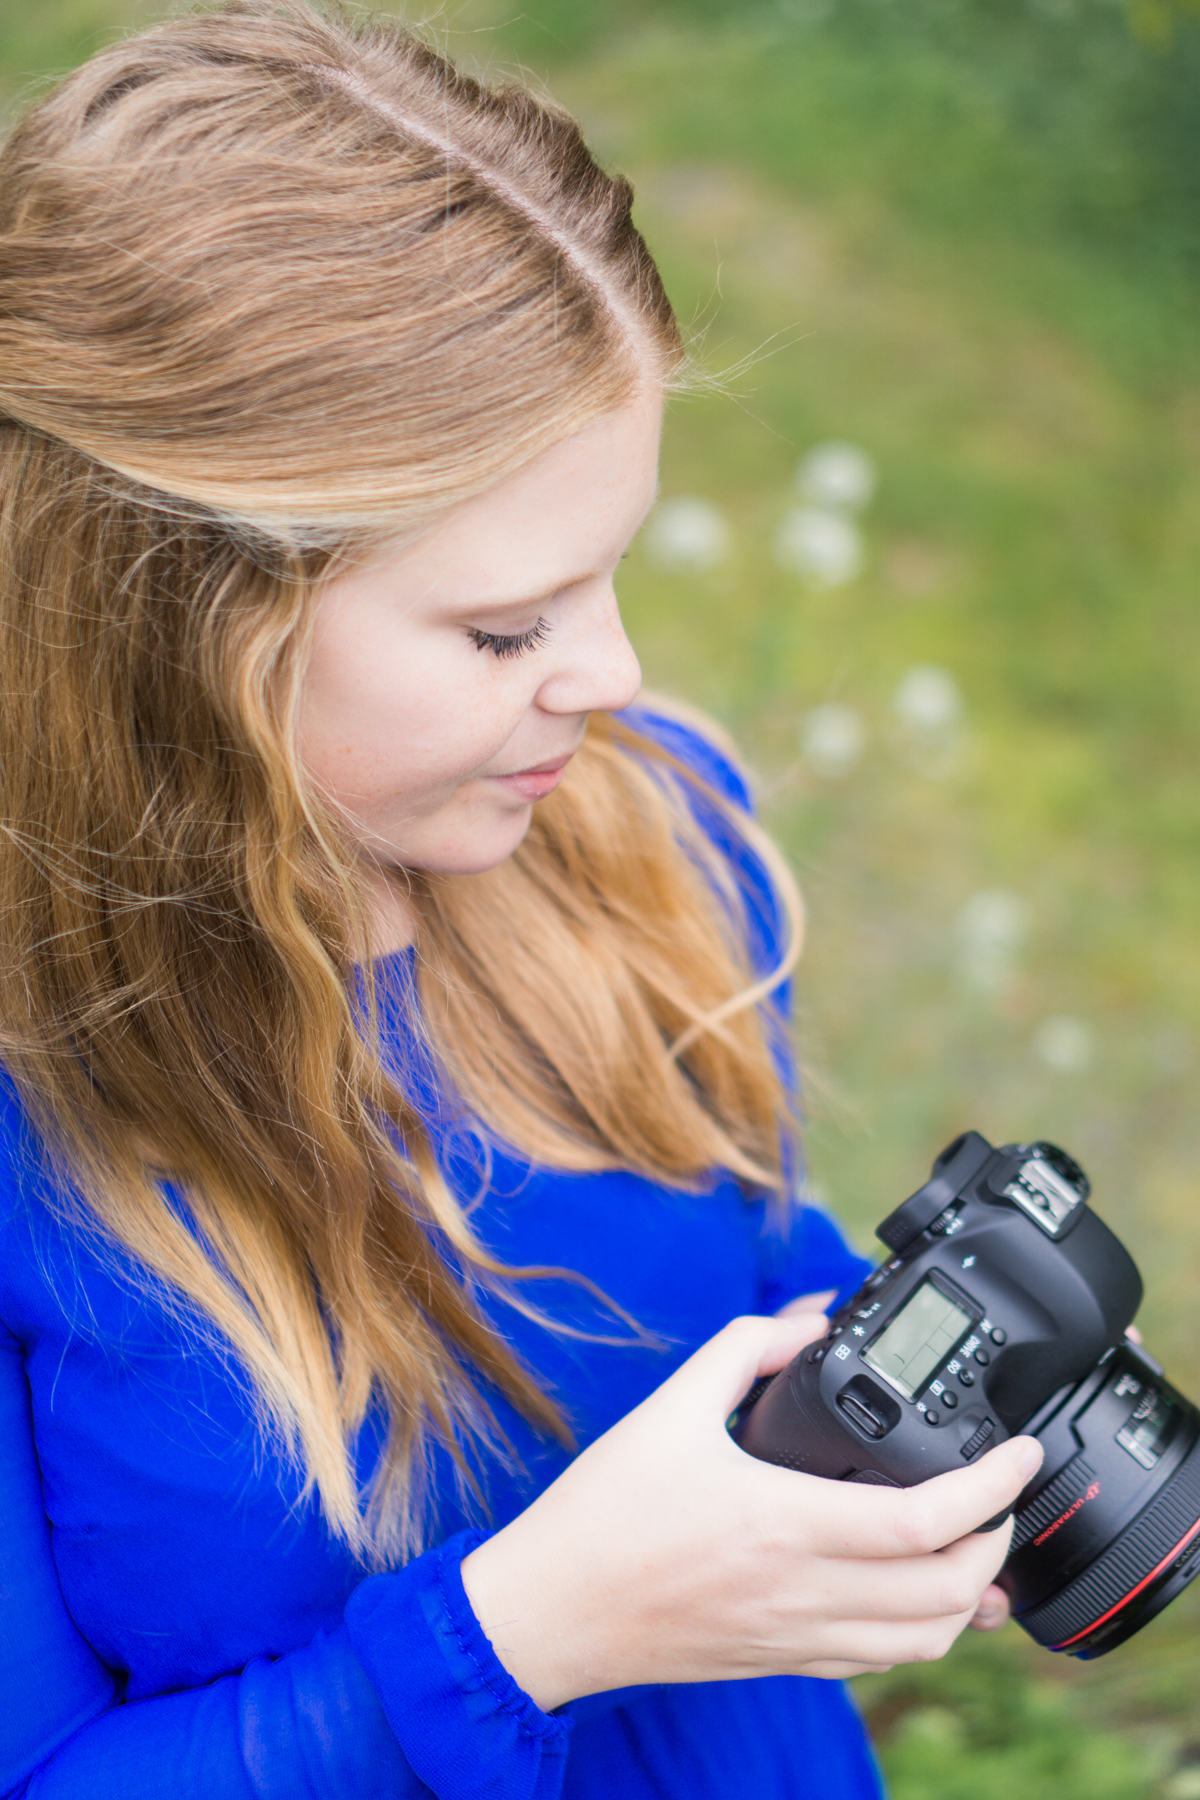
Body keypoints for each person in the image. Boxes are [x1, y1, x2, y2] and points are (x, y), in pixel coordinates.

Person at [0, 4, 1042, 1795]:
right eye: (509, 628)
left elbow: (716, 1258)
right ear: (175, 625)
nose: (617, 677)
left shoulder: (646, 842)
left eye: (612, 572)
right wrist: (535, 1634)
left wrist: (901, 1414)